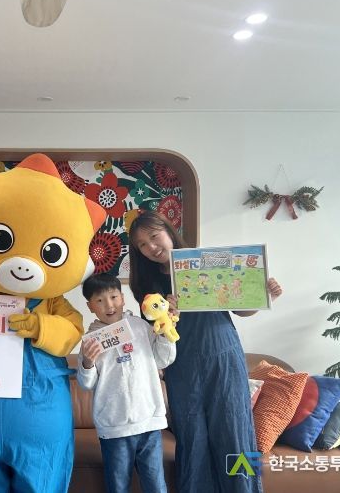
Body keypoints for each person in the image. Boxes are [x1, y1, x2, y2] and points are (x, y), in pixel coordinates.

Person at [128, 210, 282, 493]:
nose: (151, 247)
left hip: (223, 355)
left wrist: (264, 294)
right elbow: (154, 334)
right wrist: (168, 315)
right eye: (142, 245)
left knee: (236, 432)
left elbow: (241, 309)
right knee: (192, 439)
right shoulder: (147, 285)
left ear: (168, 231)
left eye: (154, 236)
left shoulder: (205, 263)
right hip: (181, 366)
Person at [76, 273, 177, 493]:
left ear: (122, 298)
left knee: (156, 484)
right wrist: (87, 362)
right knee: (118, 485)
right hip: (114, 427)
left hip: (149, 421)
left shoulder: (141, 326)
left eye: (113, 297)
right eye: (99, 300)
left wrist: (165, 334)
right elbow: (86, 384)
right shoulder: (91, 341)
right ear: (90, 306)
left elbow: (163, 359)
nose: (109, 305)